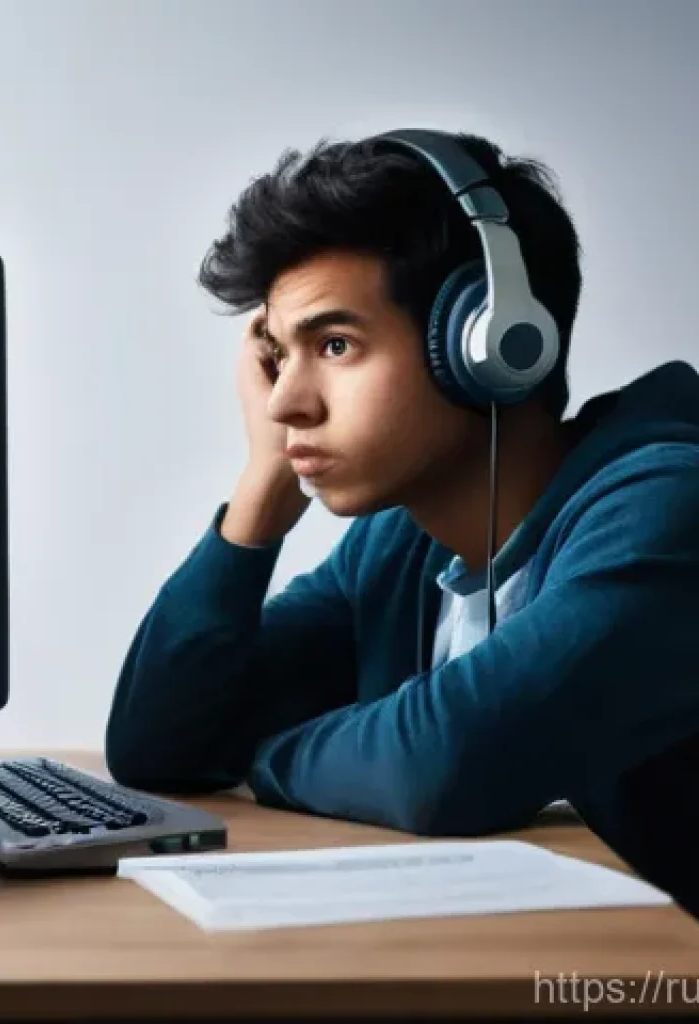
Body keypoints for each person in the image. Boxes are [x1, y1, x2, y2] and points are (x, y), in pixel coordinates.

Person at [103, 129, 699, 917]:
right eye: (281, 357)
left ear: (489, 344)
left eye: (336, 344)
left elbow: (444, 762)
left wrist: (260, 755)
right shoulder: (399, 545)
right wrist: (262, 486)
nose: (285, 403)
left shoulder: (667, 511)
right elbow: (160, 749)